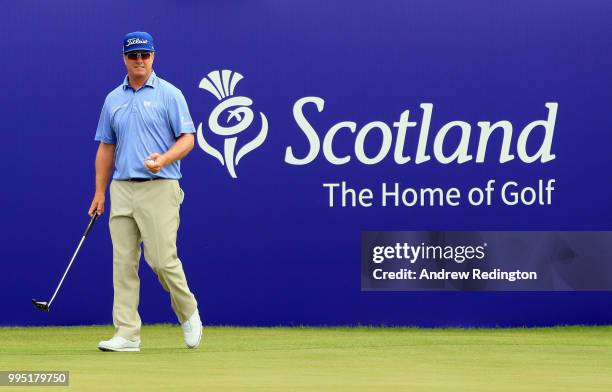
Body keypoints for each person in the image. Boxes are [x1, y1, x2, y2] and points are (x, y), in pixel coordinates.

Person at [89, 31, 202, 352]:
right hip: (122, 189)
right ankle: (127, 334)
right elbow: (106, 147)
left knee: (162, 260)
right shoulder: (113, 99)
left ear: (153, 57)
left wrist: (164, 159)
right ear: (124, 58)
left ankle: (188, 311)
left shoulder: (170, 94)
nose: (140, 61)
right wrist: (99, 192)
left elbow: (187, 139)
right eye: (134, 56)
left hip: (161, 187)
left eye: (145, 55)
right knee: (122, 263)